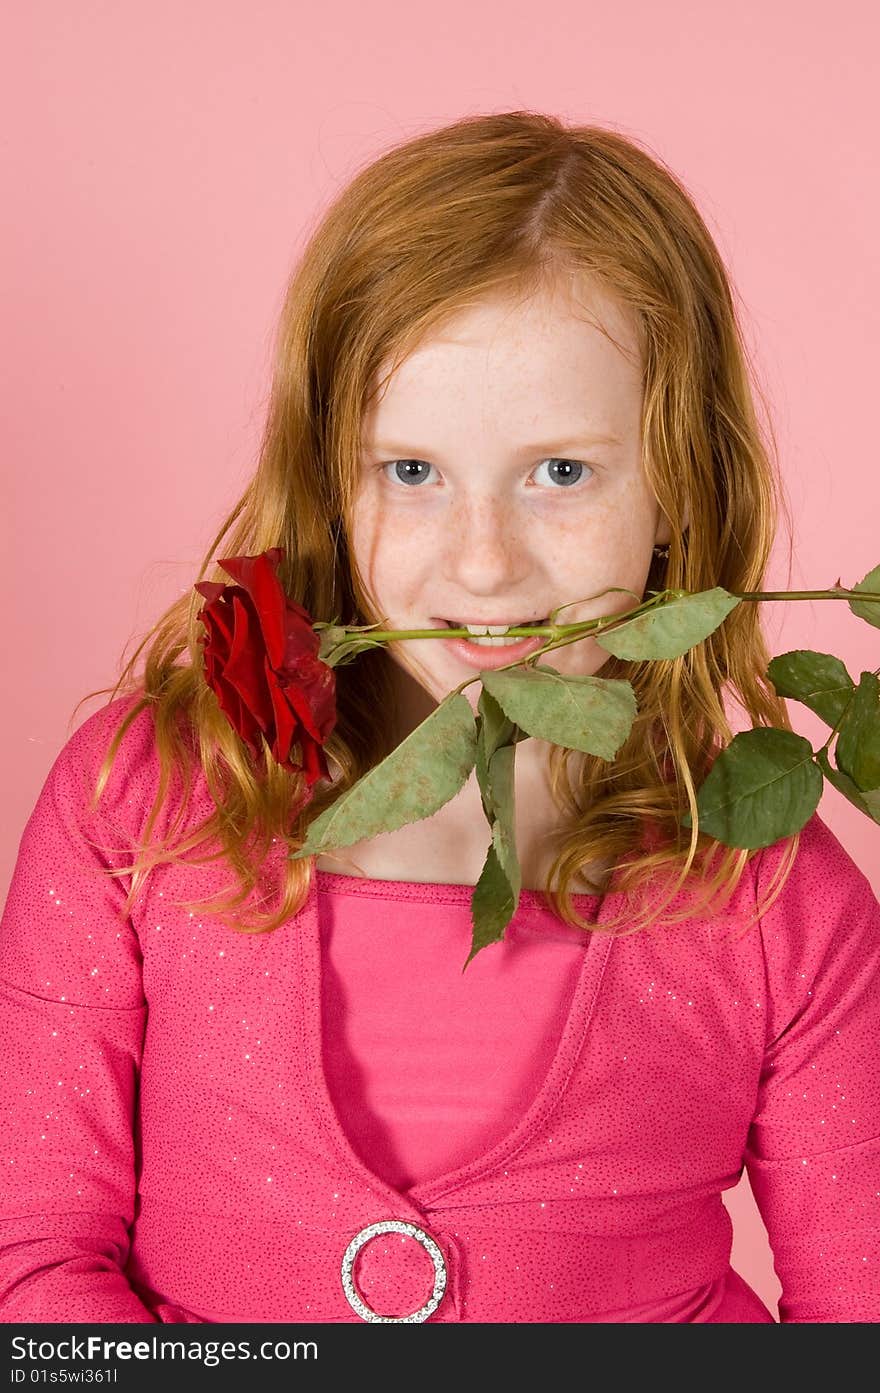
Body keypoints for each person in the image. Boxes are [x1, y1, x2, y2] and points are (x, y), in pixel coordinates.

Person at [1, 109, 878, 1325]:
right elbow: (33, 1263)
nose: (481, 565)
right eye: (410, 472)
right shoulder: (137, 802)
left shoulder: (781, 902)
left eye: (559, 473)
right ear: (331, 479)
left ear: (678, 481)